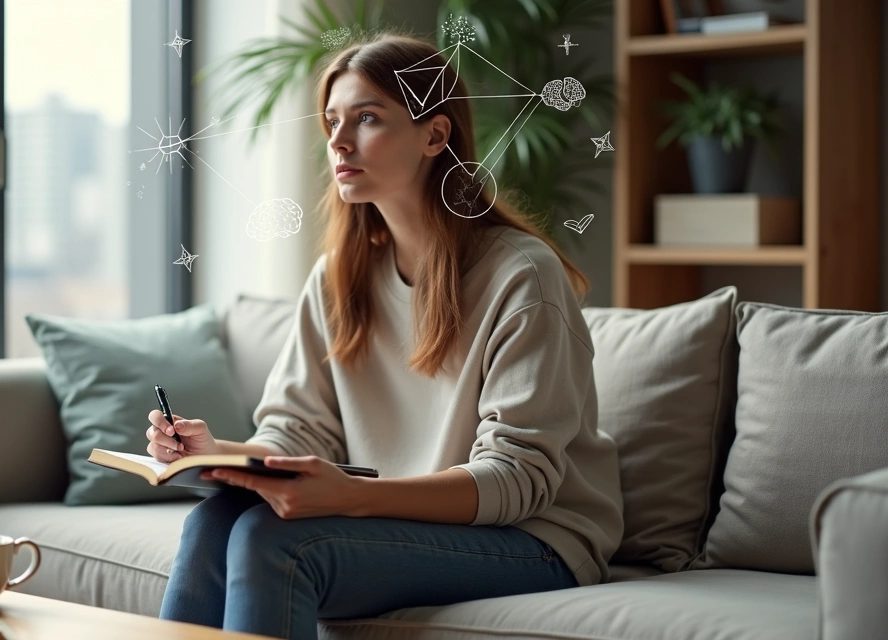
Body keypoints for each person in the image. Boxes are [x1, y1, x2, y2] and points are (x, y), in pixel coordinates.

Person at [143, 33, 622, 640]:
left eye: (367, 119)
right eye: (333, 122)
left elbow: (518, 481)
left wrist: (351, 497)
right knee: (213, 523)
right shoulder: (339, 277)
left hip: (536, 540)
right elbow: (296, 429)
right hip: (418, 525)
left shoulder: (521, 274)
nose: (339, 141)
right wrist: (224, 456)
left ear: (434, 136)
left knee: (275, 543)